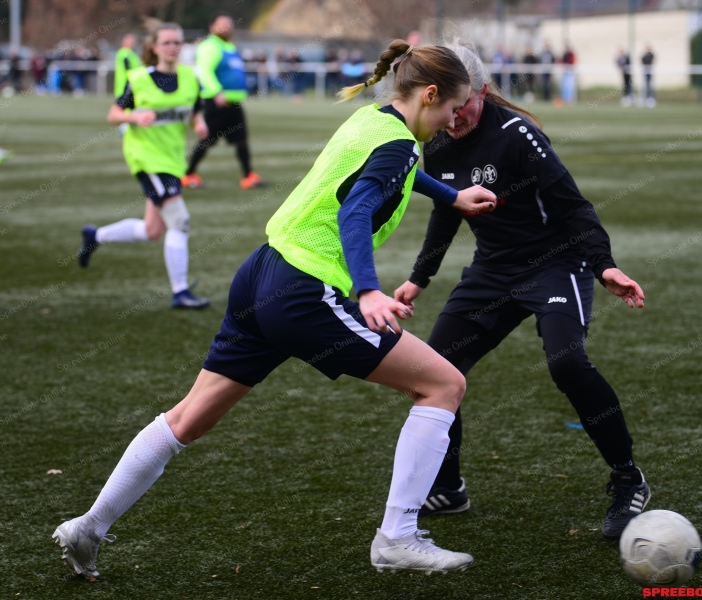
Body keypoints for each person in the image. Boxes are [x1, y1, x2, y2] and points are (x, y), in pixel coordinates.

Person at [53, 39, 498, 579]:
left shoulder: (371, 122)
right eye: (452, 108)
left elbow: (380, 172)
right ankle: (397, 537)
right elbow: (356, 212)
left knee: (187, 419)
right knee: (444, 385)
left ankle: (89, 526)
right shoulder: (402, 145)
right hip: (305, 292)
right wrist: (367, 291)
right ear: (430, 94)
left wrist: (450, 197)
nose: (453, 120)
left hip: (260, 273)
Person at [394, 44, 650, 540]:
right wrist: (418, 278)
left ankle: (628, 478)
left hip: (555, 264)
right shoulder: (440, 136)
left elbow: (575, 207)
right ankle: (448, 488)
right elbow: (447, 210)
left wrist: (605, 267)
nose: (454, 118)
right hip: (492, 271)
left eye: (463, 106)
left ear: (481, 92)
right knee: (433, 368)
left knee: (568, 364)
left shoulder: (519, 135)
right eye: (448, 107)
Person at [76, 23, 211, 309]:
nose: (173, 47)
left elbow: (195, 110)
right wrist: (134, 118)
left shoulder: (189, 77)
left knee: (152, 231)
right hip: (146, 156)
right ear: (154, 47)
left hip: (173, 159)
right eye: (167, 43)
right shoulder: (139, 78)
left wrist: (199, 125)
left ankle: (95, 236)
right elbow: (113, 114)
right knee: (179, 220)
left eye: (177, 42)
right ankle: (181, 292)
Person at [182, 13, 265, 190]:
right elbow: (205, 71)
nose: (227, 28)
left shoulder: (228, 46)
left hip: (234, 104)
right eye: (222, 25)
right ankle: (188, 174)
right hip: (217, 103)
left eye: (229, 25)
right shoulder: (210, 46)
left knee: (241, 140)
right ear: (212, 27)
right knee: (207, 140)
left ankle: (248, 175)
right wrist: (217, 92)